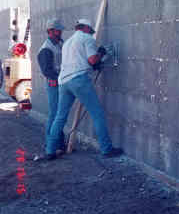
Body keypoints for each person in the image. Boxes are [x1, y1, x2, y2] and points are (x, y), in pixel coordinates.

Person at [46, 18, 123, 159]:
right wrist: (101, 52)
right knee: (97, 113)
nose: (91, 33)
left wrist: (94, 62)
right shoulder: (87, 38)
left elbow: (79, 60)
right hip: (78, 80)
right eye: (90, 30)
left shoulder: (67, 42)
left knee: (60, 116)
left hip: (63, 81)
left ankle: (50, 150)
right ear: (86, 28)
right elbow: (92, 60)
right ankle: (107, 149)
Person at [37, 18, 65, 153]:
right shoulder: (46, 49)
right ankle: (50, 145)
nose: (60, 32)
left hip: (61, 82)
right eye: (57, 30)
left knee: (59, 115)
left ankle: (59, 143)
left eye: (60, 30)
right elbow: (46, 70)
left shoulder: (60, 43)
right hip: (53, 84)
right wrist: (55, 78)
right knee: (54, 114)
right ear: (50, 31)